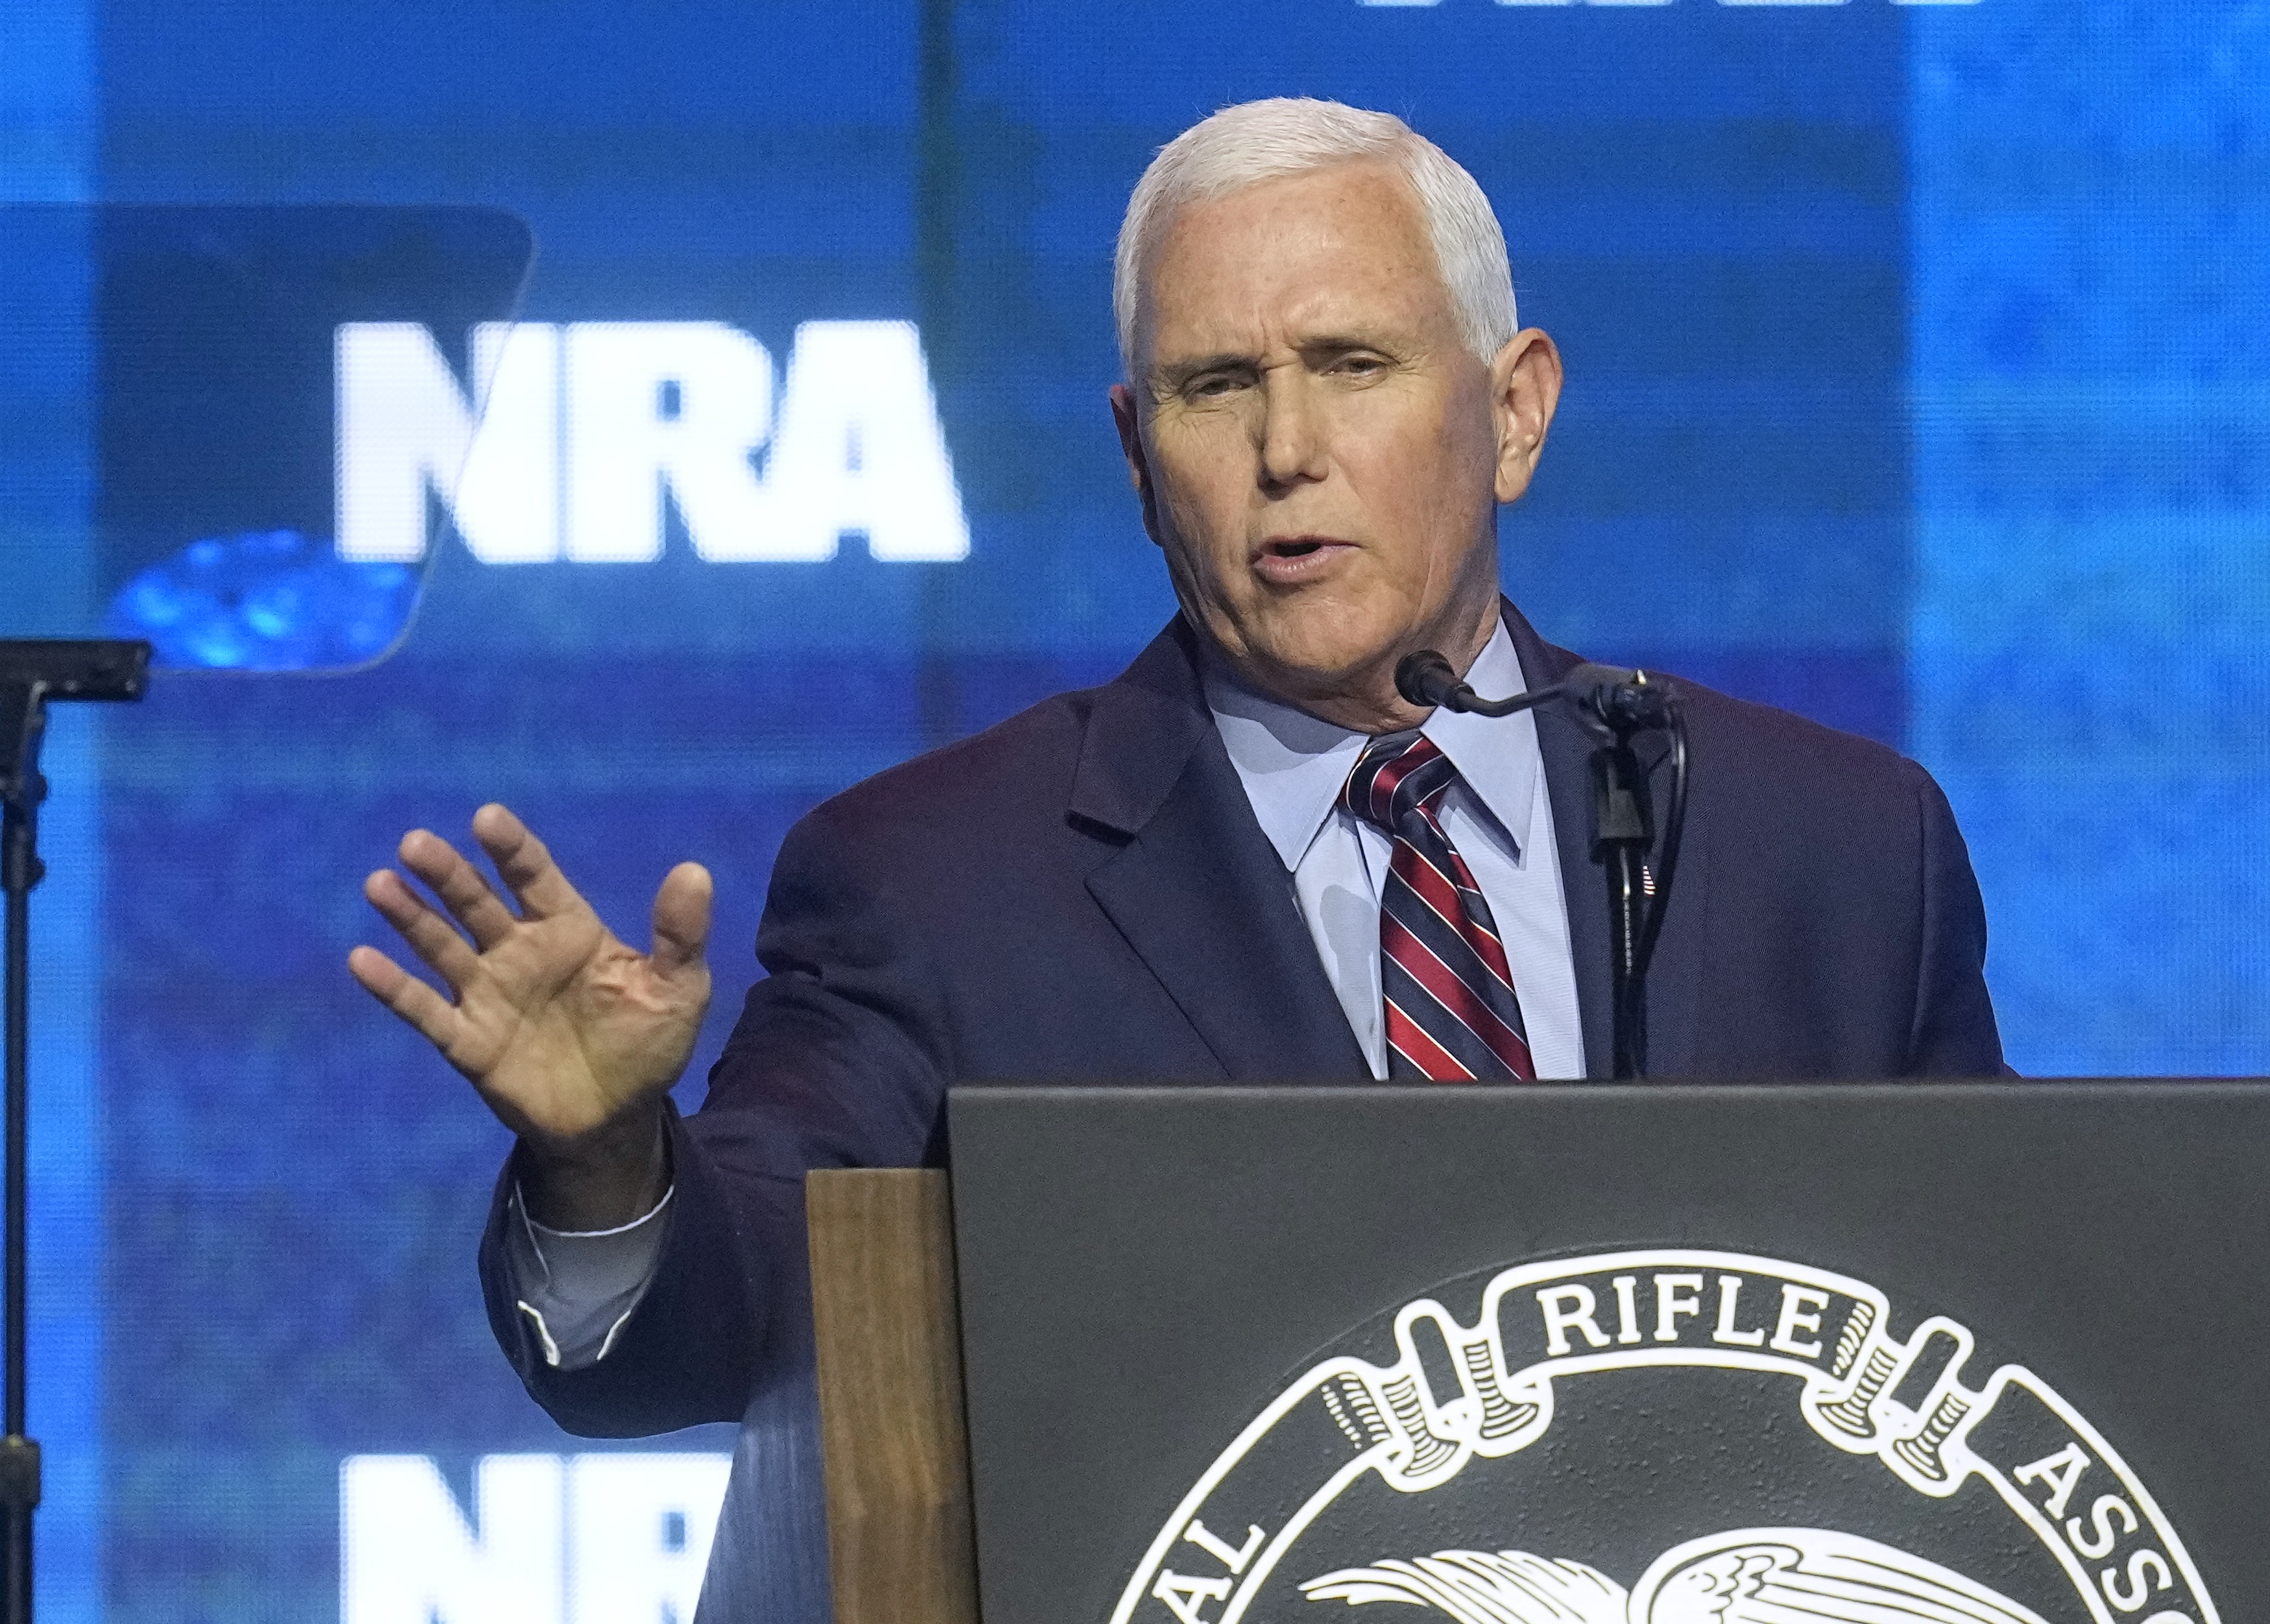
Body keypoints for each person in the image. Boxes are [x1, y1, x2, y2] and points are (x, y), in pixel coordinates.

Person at [349, 97, 2003, 1619]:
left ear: (1511, 413)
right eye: (1218, 388)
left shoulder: (1831, 847)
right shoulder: (936, 881)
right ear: (1141, 460)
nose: (1286, 448)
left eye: (1353, 363)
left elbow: (2003, 1354)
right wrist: (607, 1165)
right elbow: (748, 1312)